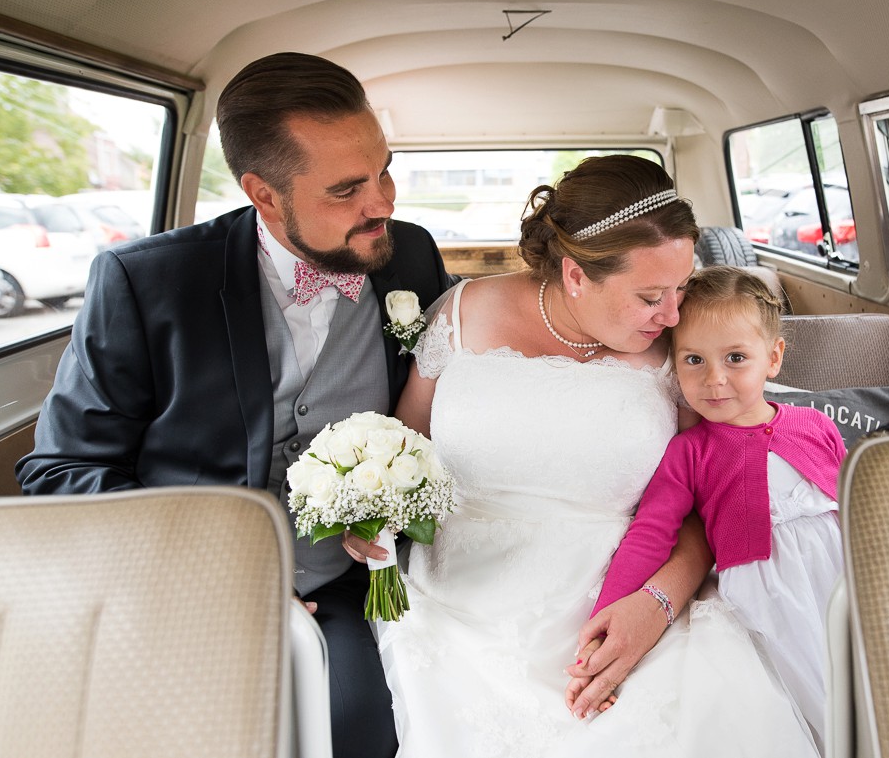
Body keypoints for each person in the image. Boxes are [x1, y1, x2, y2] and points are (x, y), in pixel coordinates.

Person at [15, 52, 454, 758]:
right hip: (187, 584)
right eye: (347, 189)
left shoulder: (409, 257)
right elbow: (61, 470)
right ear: (264, 194)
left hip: (348, 575)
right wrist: (212, 575)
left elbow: (445, 394)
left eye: (384, 170)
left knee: (381, 722)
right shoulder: (145, 282)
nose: (383, 204)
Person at [357, 155, 818, 757]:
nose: (675, 315)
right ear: (576, 275)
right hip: (453, 604)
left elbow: (711, 501)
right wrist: (367, 514)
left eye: (681, 288)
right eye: (651, 295)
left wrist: (655, 606)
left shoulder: (681, 352)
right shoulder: (462, 314)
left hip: (623, 596)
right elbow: (397, 455)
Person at [585, 265, 847, 753]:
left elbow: (859, 503)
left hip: (842, 579)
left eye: (735, 358)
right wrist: (609, 616)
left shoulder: (815, 424)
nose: (714, 379)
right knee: (820, 701)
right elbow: (651, 533)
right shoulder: (690, 451)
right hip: (772, 599)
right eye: (694, 360)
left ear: (773, 358)